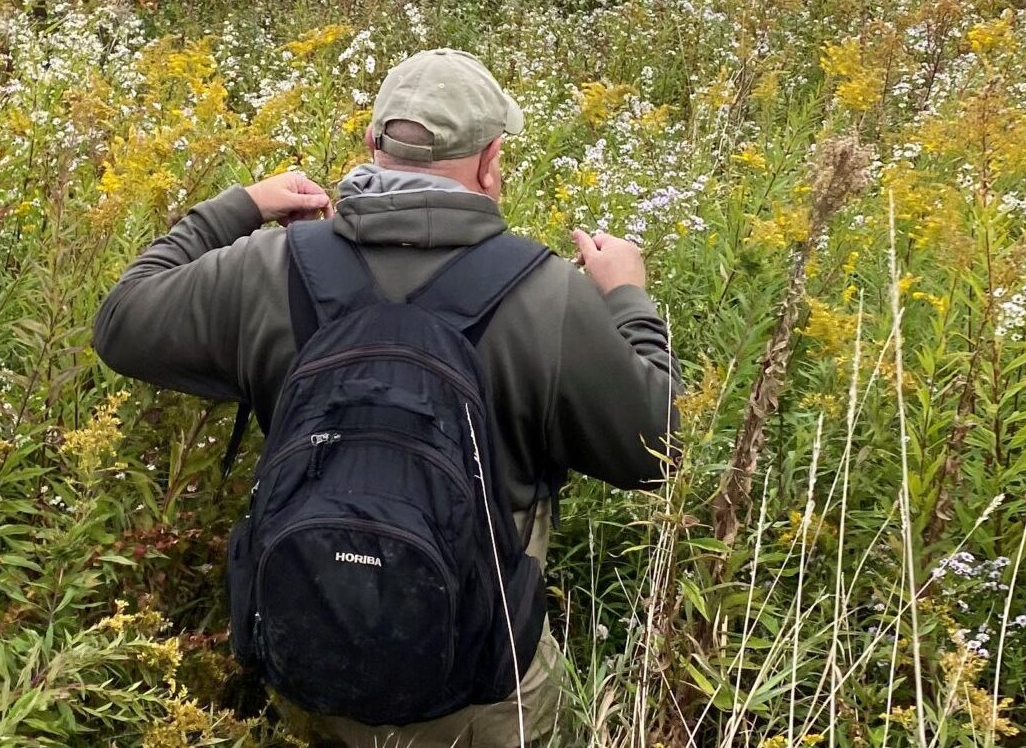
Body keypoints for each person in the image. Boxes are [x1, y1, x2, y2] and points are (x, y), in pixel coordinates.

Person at [92, 48, 680, 747]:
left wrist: (243, 204)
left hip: (311, 650)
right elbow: (659, 450)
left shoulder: (268, 267)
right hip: (481, 686)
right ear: (491, 161)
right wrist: (627, 298)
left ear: (373, 144)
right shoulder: (548, 295)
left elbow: (122, 322)